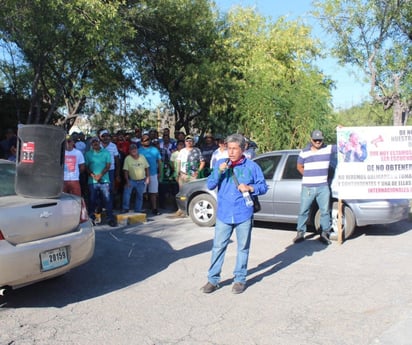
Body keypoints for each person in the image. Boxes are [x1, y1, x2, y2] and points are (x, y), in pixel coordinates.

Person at [201, 133, 268, 294]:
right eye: (229, 148)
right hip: (224, 213)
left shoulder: (252, 167)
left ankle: (239, 279)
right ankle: (213, 279)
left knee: (243, 247)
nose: (230, 152)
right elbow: (210, 184)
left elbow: (263, 187)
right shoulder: (221, 164)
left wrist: (251, 188)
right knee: (218, 247)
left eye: (234, 149)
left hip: (243, 213)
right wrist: (218, 171)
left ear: (243, 149)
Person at [293, 129, 337, 245]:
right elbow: (299, 166)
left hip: (323, 187)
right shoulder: (304, 152)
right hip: (308, 187)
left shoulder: (328, 149)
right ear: (311, 139)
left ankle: (324, 234)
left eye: (320, 140)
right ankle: (300, 233)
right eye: (315, 140)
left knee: (325, 212)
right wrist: (308, 175)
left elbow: (343, 146)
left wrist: (342, 131)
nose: (318, 142)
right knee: (303, 210)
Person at [84, 137, 117, 227]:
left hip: (105, 180)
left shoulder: (106, 152)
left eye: (96, 141)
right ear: (91, 144)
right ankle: (91, 218)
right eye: (93, 142)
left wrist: (100, 175)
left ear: (99, 143)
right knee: (92, 200)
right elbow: (86, 167)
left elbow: (108, 165)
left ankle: (110, 218)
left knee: (107, 200)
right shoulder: (87, 154)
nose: (95, 143)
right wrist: (93, 176)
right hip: (92, 181)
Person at [172, 135, 205, 217]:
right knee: (181, 192)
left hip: (192, 175)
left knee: (192, 192)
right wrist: (177, 173)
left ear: (193, 142)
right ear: (185, 142)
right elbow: (179, 162)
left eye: (190, 141)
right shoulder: (182, 151)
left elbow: (202, 162)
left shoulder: (197, 150)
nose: (189, 142)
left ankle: (191, 209)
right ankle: (181, 209)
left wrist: (198, 171)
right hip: (182, 174)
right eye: (187, 141)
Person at [121, 144, 149, 213]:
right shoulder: (127, 158)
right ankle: (125, 208)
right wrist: (127, 181)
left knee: (140, 196)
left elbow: (147, 168)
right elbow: (126, 171)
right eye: (131, 149)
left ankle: (138, 209)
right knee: (126, 194)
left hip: (141, 180)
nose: (133, 150)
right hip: (131, 180)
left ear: (137, 149)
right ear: (129, 151)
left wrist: (148, 177)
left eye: (135, 149)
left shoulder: (142, 157)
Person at [139, 133, 162, 215]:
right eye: (145, 140)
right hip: (142, 174)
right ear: (141, 142)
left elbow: (159, 162)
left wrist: (160, 172)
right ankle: (141, 208)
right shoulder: (139, 150)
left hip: (153, 173)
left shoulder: (155, 150)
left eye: (148, 139)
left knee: (153, 192)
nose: (147, 141)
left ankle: (154, 209)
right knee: (142, 192)